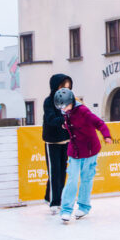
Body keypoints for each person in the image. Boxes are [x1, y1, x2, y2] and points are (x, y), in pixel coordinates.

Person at [55, 87, 113, 224]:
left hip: (89, 150)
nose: (63, 110)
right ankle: (66, 210)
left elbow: (99, 123)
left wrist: (106, 136)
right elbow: (72, 124)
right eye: (61, 108)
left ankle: (84, 207)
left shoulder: (83, 111)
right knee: (72, 180)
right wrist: (65, 125)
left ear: (71, 102)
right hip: (75, 150)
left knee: (86, 178)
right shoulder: (66, 111)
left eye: (65, 107)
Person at [41, 73, 72, 213]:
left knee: (62, 171)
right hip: (52, 141)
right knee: (54, 172)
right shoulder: (49, 101)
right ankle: (54, 202)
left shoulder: (69, 100)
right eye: (63, 86)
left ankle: (52, 197)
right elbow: (50, 119)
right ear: (56, 86)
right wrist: (64, 119)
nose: (65, 89)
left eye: (68, 86)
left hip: (66, 140)